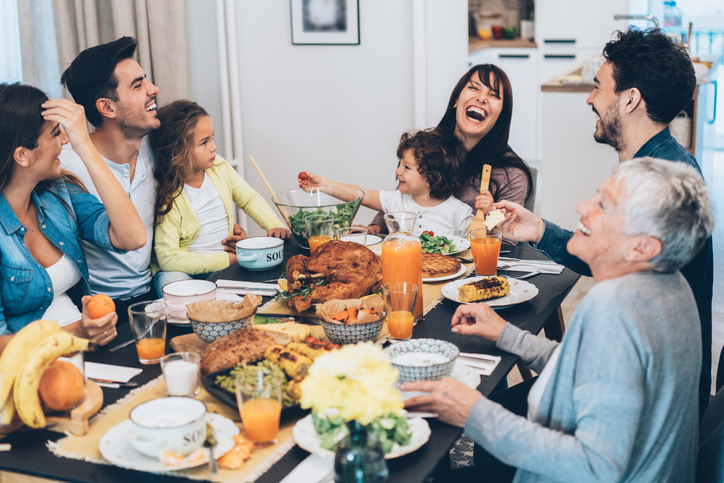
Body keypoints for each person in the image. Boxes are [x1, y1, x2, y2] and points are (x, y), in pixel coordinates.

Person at [405, 157, 714, 482]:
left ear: (642, 247)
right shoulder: (672, 284)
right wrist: (506, 334)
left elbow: (596, 466)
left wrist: (472, 412)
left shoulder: (615, 307)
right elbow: (591, 369)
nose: (582, 206)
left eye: (604, 206)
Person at [496, 27, 715, 417]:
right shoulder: (658, 164)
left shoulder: (658, 185)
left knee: (495, 406)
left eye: (598, 86)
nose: (590, 99)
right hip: (647, 383)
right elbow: (615, 256)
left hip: (649, 402)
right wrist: (540, 230)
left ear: (630, 99)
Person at [0, 83, 147, 344]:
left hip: (87, 349)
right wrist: (76, 332)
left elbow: (132, 237)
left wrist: (86, 148)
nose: (66, 140)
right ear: (22, 156)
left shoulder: (59, 193)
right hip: (30, 370)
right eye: (57, 134)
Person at [367, 64, 533, 235]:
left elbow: (504, 239)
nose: (482, 98)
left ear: (502, 114)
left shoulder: (511, 175)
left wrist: (491, 213)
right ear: (456, 100)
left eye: (494, 95)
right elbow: (401, 199)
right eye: (474, 88)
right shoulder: (428, 148)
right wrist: (375, 227)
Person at [149, 100, 289, 296]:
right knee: (170, 282)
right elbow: (168, 259)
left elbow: (248, 199)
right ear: (178, 151)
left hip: (222, 264)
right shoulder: (169, 195)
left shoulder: (219, 168)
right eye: (204, 142)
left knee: (265, 279)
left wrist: (273, 224)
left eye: (212, 139)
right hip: (185, 271)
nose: (214, 147)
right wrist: (228, 261)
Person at [299, 128, 474, 237]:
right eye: (400, 164)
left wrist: (489, 212)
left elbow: (480, 241)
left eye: (407, 167)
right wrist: (322, 185)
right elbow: (358, 194)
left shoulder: (458, 212)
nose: (398, 171)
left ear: (433, 179)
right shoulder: (397, 201)